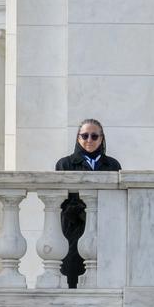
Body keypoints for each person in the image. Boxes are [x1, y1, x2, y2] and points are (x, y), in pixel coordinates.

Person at [54, 119, 119, 287]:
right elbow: (63, 201)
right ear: (78, 138)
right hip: (74, 229)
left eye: (94, 136)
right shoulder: (65, 164)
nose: (89, 140)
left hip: (104, 229)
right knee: (72, 277)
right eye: (84, 135)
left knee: (107, 280)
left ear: (101, 139)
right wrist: (83, 212)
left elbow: (116, 199)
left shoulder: (112, 164)